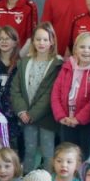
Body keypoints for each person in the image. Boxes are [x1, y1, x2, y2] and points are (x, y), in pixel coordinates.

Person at [11, 22, 62, 171]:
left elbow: (50, 93)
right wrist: (22, 111)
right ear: (32, 41)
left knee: (48, 152)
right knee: (29, 150)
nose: (41, 43)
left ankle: (47, 180)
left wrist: (32, 114)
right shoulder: (24, 63)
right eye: (38, 39)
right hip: (26, 117)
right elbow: (15, 89)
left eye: (45, 39)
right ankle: (27, 177)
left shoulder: (57, 64)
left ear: (52, 41)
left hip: (46, 117)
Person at [51, 32, 90, 157]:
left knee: (85, 155)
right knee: (67, 153)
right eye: (82, 47)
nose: (86, 50)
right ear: (75, 49)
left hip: (87, 123)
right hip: (66, 120)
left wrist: (78, 119)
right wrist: (61, 116)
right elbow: (55, 93)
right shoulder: (67, 68)